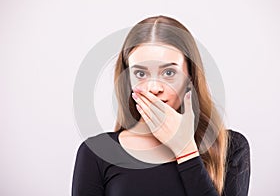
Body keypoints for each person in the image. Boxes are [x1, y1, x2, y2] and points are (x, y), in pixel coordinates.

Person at [72, 15, 250, 196]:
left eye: (169, 72)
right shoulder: (96, 153)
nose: (154, 87)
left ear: (190, 77)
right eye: (141, 73)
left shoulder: (230, 147)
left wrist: (185, 150)